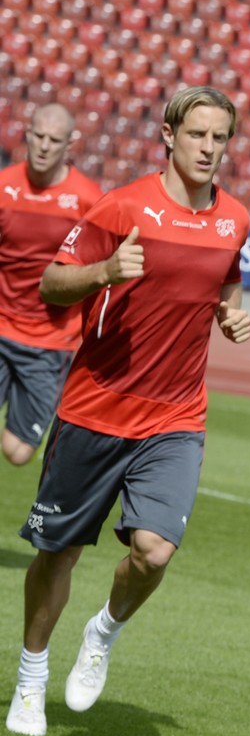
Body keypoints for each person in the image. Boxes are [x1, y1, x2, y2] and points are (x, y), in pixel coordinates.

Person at [5, 86, 250, 736]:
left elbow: (227, 274)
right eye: (197, 134)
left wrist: (229, 311)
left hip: (175, 418)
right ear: (168, 135)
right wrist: (107, 269)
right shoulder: (121, 206)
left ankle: (103, 629)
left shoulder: (235, 219)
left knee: (155, 552)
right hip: (93, 411)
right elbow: (52, 283)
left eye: (219, 137)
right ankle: (31, 677)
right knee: (57, 555)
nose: (208, 148)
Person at [0, 102, 104, 466]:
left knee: (17, 452)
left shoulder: (89, 200)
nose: (44, 146)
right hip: (0, 323)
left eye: (54, 140)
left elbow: (98, 270)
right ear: (26, 135)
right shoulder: (3, 187)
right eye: (38, 136)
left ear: (69, 144)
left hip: (49, 340)